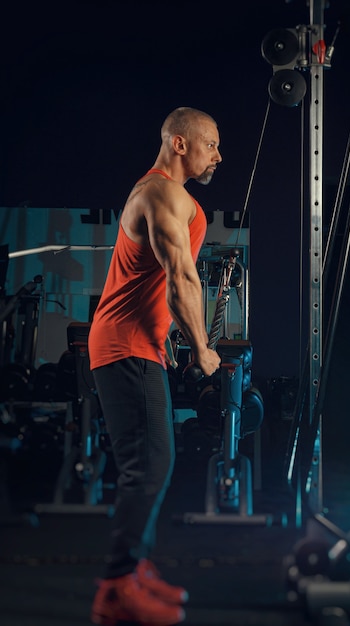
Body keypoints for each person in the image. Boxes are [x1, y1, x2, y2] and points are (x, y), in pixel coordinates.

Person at [88, 106, 222, 626]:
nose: (219, 154)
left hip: (138, 343)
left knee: (152, 465)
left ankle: (136, 571)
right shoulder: (162, 192)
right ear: (181, 143)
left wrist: (167, 337)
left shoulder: (168, 194)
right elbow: (181, 278)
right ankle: (117, 588)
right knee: (148, 467)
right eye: (211, 143)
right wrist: (203, 349)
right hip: (125, 345)